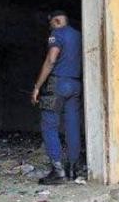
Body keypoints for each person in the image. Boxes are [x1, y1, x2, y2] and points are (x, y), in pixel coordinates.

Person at [31, 10, 83, 184]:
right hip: (75, 84)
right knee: (72, 125)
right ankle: (73, 169)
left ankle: (58, 171)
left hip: (58, 83)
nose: (50, 27)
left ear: (57, 21)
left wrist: (37, 87)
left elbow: (51, 59)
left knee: (49, 124)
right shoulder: (79, 35)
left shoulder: (57, 33)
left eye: (51, 23)